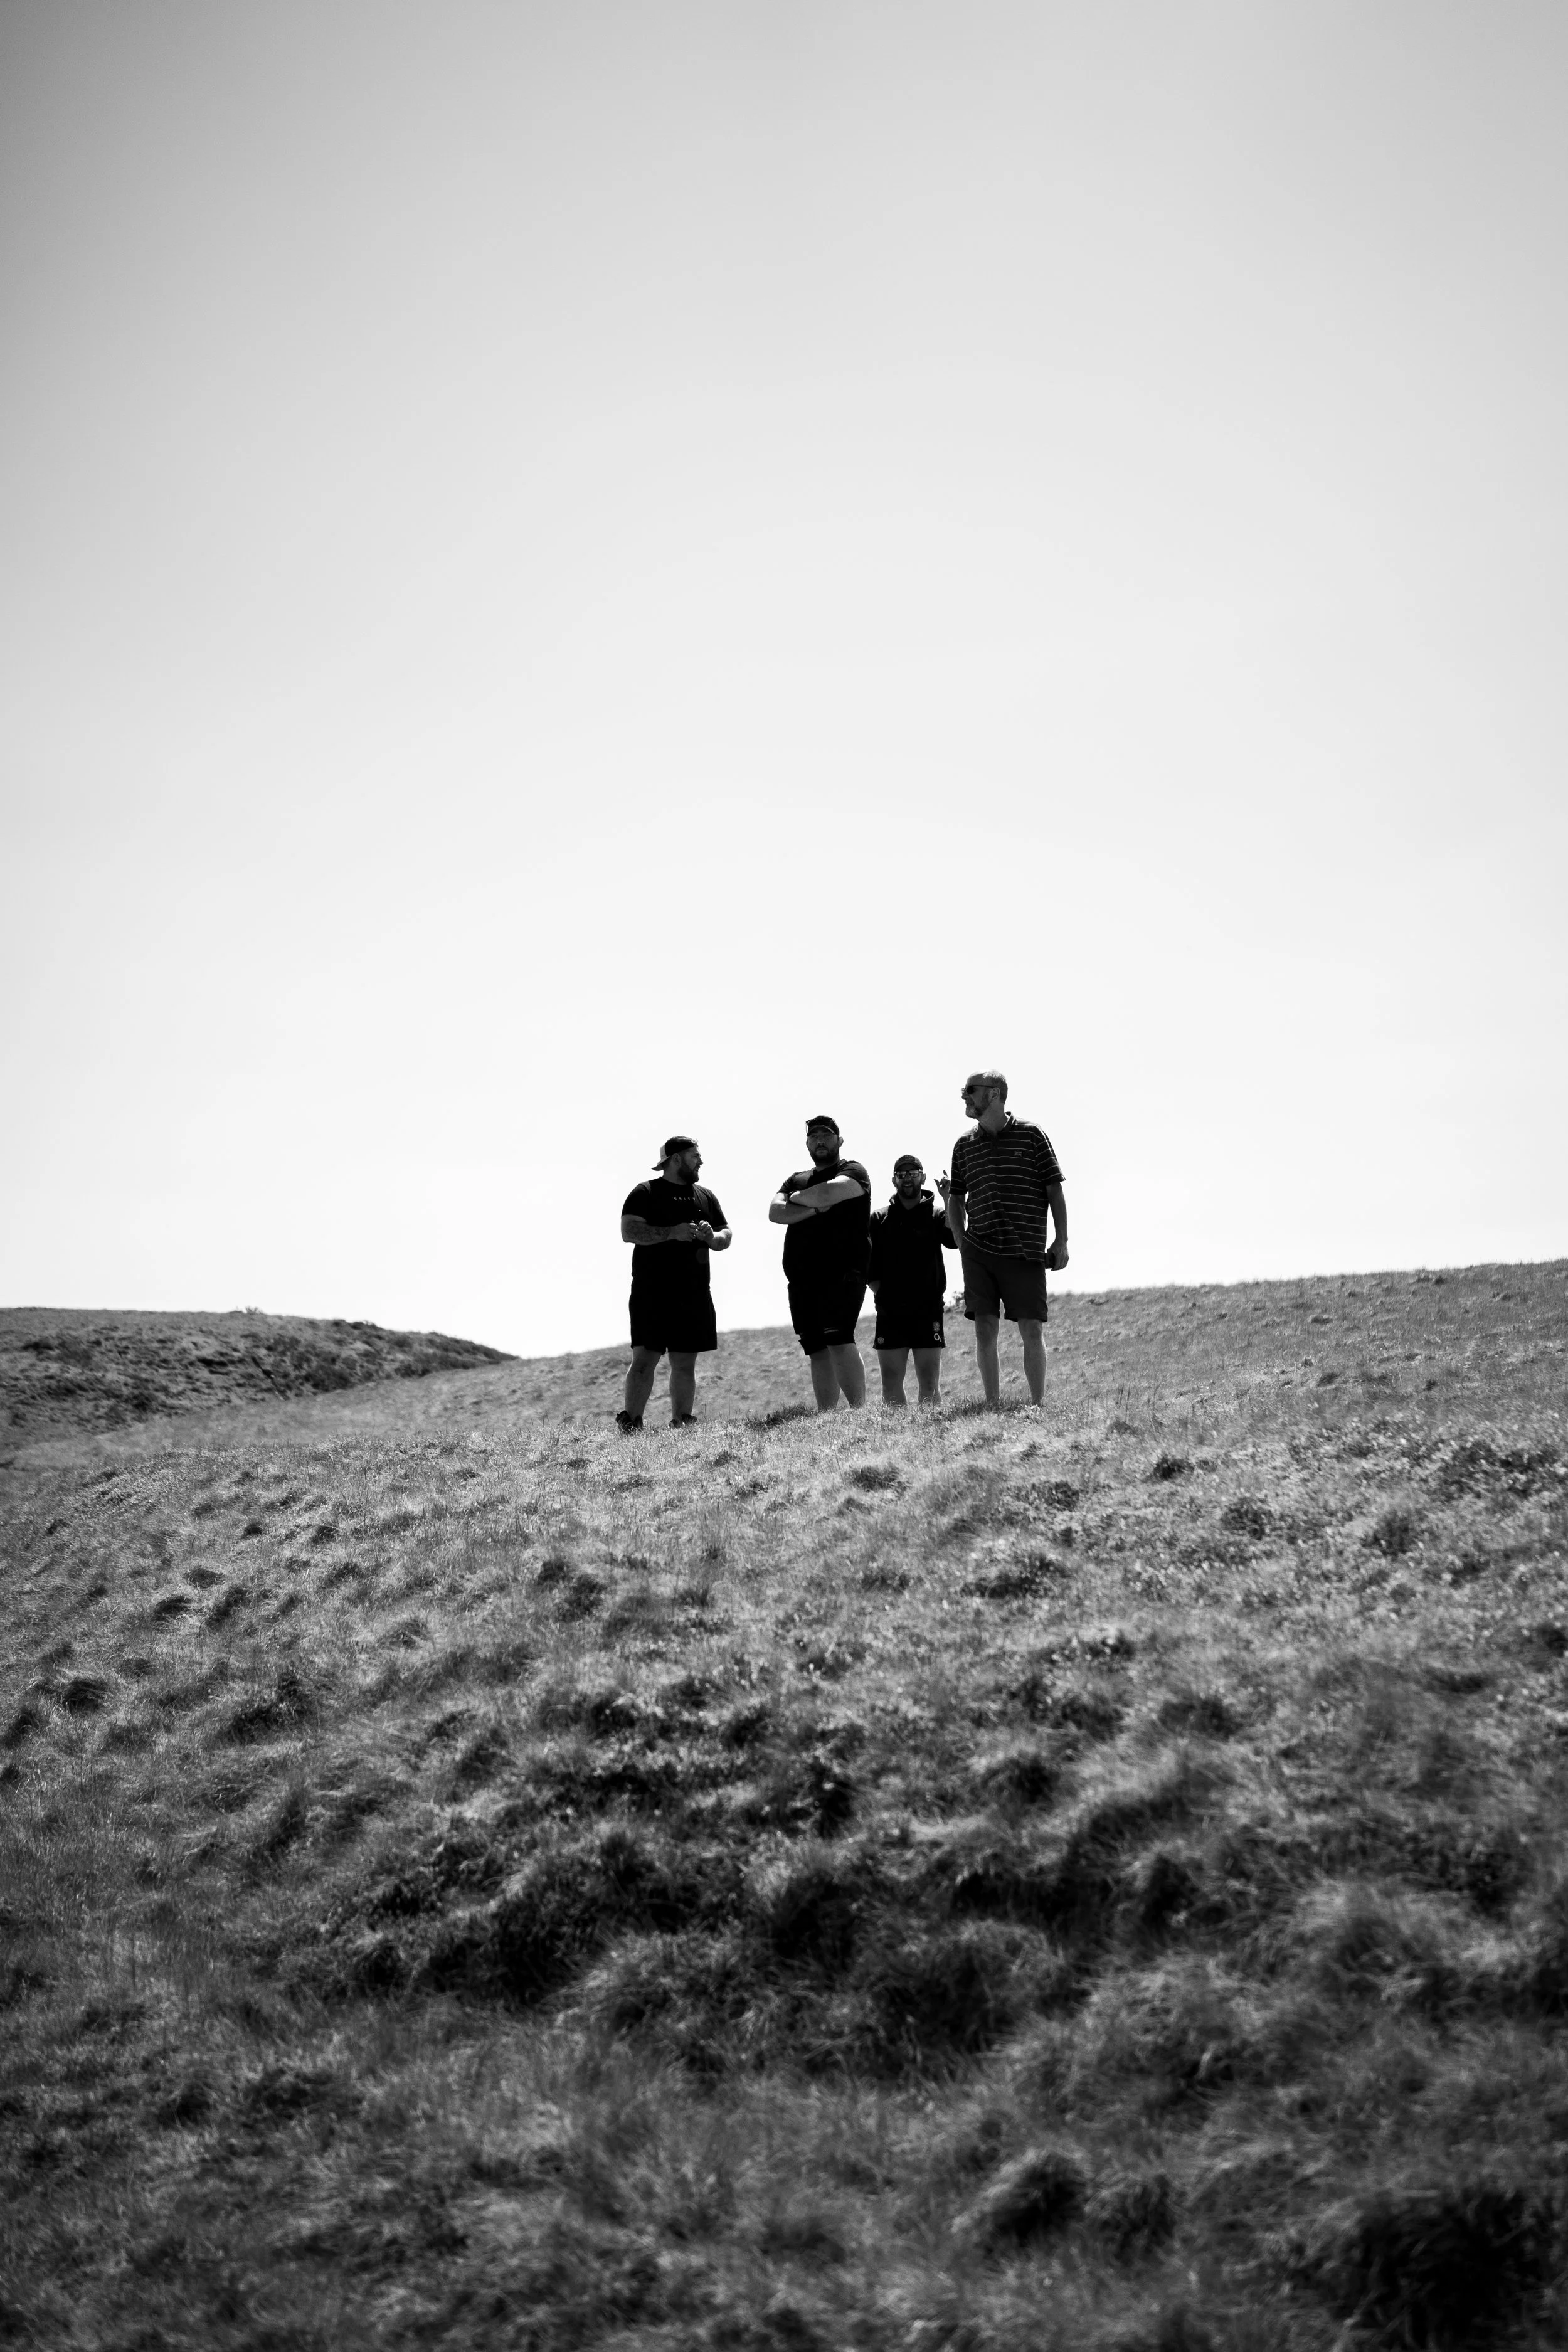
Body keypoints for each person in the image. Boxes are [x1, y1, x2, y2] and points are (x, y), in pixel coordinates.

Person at [945, 1071, 1067, 1408]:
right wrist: (960, 1236)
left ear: (995, 1094)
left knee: (1031, 1328)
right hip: (978, 1251)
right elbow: (956, 1197)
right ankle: (992, 1405)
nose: (965, 1097)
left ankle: (1037, 1405)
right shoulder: (963, 1145)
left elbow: (1053, 1188)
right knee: (984, 1328)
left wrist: (1062, 1241)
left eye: (971, 1090)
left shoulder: (1031, 1135)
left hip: (1024, 1249)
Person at [618, 1136, 731, 1429]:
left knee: (685, 1363)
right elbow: (629, 1232)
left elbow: (725, 1235)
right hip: (651, 1291)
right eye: (696, 1156)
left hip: (694, 1292)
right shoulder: (645, 1192)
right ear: (676, 1159)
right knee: (644, 1359)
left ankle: (682, 1422)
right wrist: (672, 1232)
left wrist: (711, 1238)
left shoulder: (705, 1196)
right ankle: (631, 1423)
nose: (701, 1161)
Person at [768, 1115, 872, 1411]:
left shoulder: (853, 1170)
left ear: (839, 1141)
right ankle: (827, 1415)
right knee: (816, 1348)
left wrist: (798, 1200)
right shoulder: (795, 1178)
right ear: (807, 1144)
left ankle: (859, 1412)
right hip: (802, 1277)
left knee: (839, 1338)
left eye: (826, 1135)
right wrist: (815, 1209)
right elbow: (776, 1212)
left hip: (843, 1272)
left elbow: (829, 1191)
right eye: (814, 1136)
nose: (820, 1140)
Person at [867, 1155, 957, 1407]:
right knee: (890, 1380)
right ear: (894, 1180)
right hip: (890, 1311)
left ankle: (927, 1436)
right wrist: (881, 1293)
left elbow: (953, 1240)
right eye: (902, 1174)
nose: (908, 1178)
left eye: (913, 1173)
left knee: (929, 1380)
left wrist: (948, 1198)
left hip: (928, 1309)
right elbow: (869, 1267)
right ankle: (896, 1437)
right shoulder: (878, 1219)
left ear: (923, 1177)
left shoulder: (938, 1213)